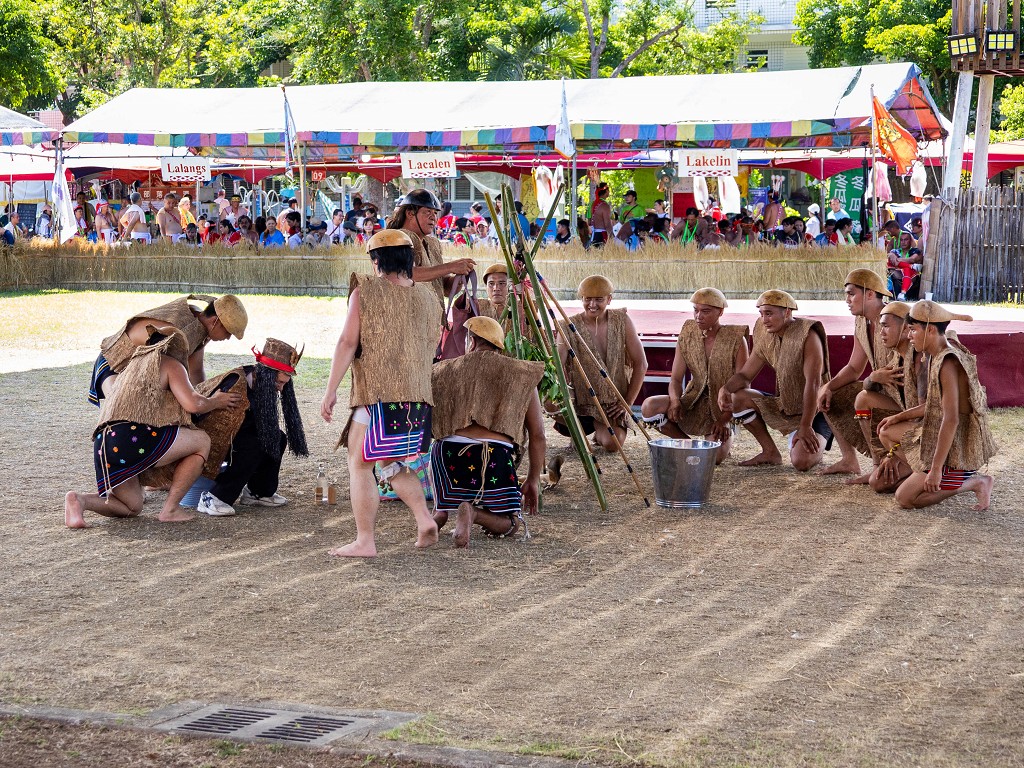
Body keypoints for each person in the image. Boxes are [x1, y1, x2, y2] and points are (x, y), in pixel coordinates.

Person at [321, 229, 443, 557]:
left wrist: (331, 390)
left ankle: (365, 540)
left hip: (378, 394)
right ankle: (424, 520)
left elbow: (348, 342)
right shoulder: (429, 297)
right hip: (417, 395)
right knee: (390, 462)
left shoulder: (366, 291)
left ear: (376, 261)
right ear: (409, 259)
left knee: (360, 463)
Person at [64, 328, 242, 528]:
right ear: (178, 348)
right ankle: (171, 509)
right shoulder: (169, 363)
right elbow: (194, 404)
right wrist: (217, 401)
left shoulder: (129, 366)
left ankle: (80, 500)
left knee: (132, 506)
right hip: (131, 437)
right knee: (201, 440)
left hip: (104, 442)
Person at [428, 316, 546, 547]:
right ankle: (473, 513)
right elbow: (538, 434)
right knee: (511, 523)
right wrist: (533, 479)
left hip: (447, 455)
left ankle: (440, 511)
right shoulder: (522, 374)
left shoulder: (442, 370)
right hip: (493, 455)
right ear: (499, 347)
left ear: (471, 342)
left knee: (439, 445)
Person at [879, 301, 997, 511]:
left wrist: (935, 469)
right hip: (942, 436)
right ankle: (926, 473)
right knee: (887, 430)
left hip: (958, 446)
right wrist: (898, 417)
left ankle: (974, 482)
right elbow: (934, 405)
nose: (909, 336)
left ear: (931, 330)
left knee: (905, 498)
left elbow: (951, 419)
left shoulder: (948, 362)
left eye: (913, 330)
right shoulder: (937, 355)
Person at [719, 290, 833, 470]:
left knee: (801, 462)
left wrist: (805, 425)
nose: (764, 320)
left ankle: (811, 439)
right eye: (761, 314)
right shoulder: (764, 333)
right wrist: (725, 388)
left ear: (787, 312)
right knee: (738, 397)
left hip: (817, 411)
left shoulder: (808, 335)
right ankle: (770, 451)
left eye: (769, 313)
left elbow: (813, 384)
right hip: (785, 405)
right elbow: (745, 375)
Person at [196, 339, 309, 516]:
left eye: (284, 384)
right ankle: (214, 497)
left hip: (240, 437)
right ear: (266, 374)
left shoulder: (261, 383)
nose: (281, 389)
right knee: (254, 444)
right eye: (278, 382)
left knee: (277, 437)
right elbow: (214, 424)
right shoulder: (235, 384)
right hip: (213, 439)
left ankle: (258, 492)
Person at [641, 288, 749, 464]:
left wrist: (724, 419)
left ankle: (716, 442)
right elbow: (676, 379)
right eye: (696, 310)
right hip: (693, 400)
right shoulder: (687, 334)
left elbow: (743, 385)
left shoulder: (736, 339)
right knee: (649, 406)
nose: (699, 316)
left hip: (722, 407)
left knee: (714, 458)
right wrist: (675, 401)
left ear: (720, 312)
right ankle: (691, 445)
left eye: (705, 311)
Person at [88, 293, 248, 406]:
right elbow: (166, 371)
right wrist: (204, 402)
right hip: (114, 363)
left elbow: (196, 373)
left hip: (136, 372)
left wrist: (207, 396)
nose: (228, 338)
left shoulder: (200, 327)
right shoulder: (183, 328)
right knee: (121, 411)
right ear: (215, 322)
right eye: (228, 332)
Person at [815, 270, 896, 481]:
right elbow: (854, 367)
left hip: (906, 397)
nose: (847, 300)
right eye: (846, 294)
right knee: (830, 393)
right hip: (882, 390)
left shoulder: (896, 317)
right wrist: (828, 387)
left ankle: (879, 465)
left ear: (870, 294)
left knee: (863, 397)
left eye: (851, 294)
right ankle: (849, 460)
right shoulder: (862, 322)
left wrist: (873, 380)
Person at [555, 275, 648, 452]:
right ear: (581, 299)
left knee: (613, 444)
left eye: (599, 299)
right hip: (580, 402)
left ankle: (599, 432)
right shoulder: (567, 326)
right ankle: (578, 430)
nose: (592, 304)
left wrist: (626, 402)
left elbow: (641, 364)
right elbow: (557, 366)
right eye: (587, 299)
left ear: (609, 299)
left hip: (611, 404)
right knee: (550, 403)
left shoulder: (622, 320)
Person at [388, 189, 474, 304]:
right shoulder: (396, 238)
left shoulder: (433, 244)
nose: (433, 217)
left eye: (435, 213)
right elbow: (405, 275)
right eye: (427, 212)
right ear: (410, 213)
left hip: (434, 314)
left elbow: (446, 290)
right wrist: (450, 267)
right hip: (408, 312)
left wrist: (460, 278)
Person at [887, 231, 923, 300]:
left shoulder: (915, 251)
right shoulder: (895, 251)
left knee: (907, 270)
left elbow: (912, 259)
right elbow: (894, 261)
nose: (903, 242)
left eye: (906, 239)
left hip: (912, 276)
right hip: (899, 274)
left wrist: (898, 260)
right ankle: (902, 293)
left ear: (910, 241)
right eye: (901, 240)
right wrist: (908, 264)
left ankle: (903, 293)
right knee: (905, 268)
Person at [590, 182, 612, 247]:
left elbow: (590, 221)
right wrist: (612, 236)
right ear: (606, 191)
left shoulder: (593, 204)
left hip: (594, 234)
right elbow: (607, 224)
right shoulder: (604, 205)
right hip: (602, 235)